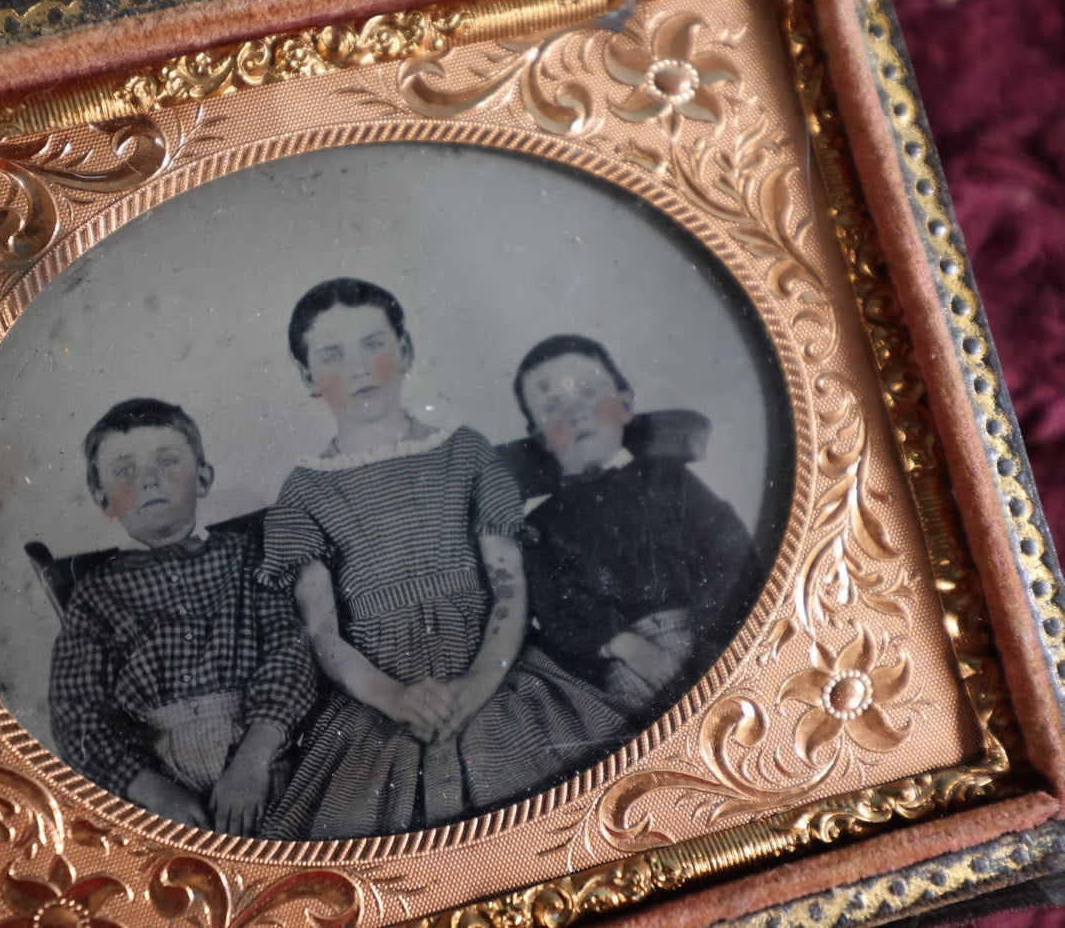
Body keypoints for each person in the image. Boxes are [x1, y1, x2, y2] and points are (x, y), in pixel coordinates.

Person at [257, 279, 625, 840]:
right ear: (308, 376)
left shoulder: (465, 451)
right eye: (332, 356)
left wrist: (479, 682)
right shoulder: (304, 492)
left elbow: (508, 587)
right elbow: (323, 633)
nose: (359, 368)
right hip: (379, 703)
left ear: (405, 351)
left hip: (493, 677)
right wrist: (393, 697)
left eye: (374, 344)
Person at [48, 398, 316, 835]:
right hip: (162, 783)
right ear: (102, 498)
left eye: (167, 461)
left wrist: (253, 760)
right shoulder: (96, 595)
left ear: (203, 478)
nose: (149, 479)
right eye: (124, 470)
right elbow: (78, 715)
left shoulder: (247, 558)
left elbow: (290, 654)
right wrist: (153, 791)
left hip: (264, 757)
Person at [514, 335, 762, 715]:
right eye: (553, 408)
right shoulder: (542, 525)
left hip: (704, 630)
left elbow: (726, 547)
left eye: (588, 393)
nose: (576, 413)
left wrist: (710, 632)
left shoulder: (666, 479)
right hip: (623, 656)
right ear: (539, 436)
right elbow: (558, 614)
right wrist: (628, 647)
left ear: (626, 403)